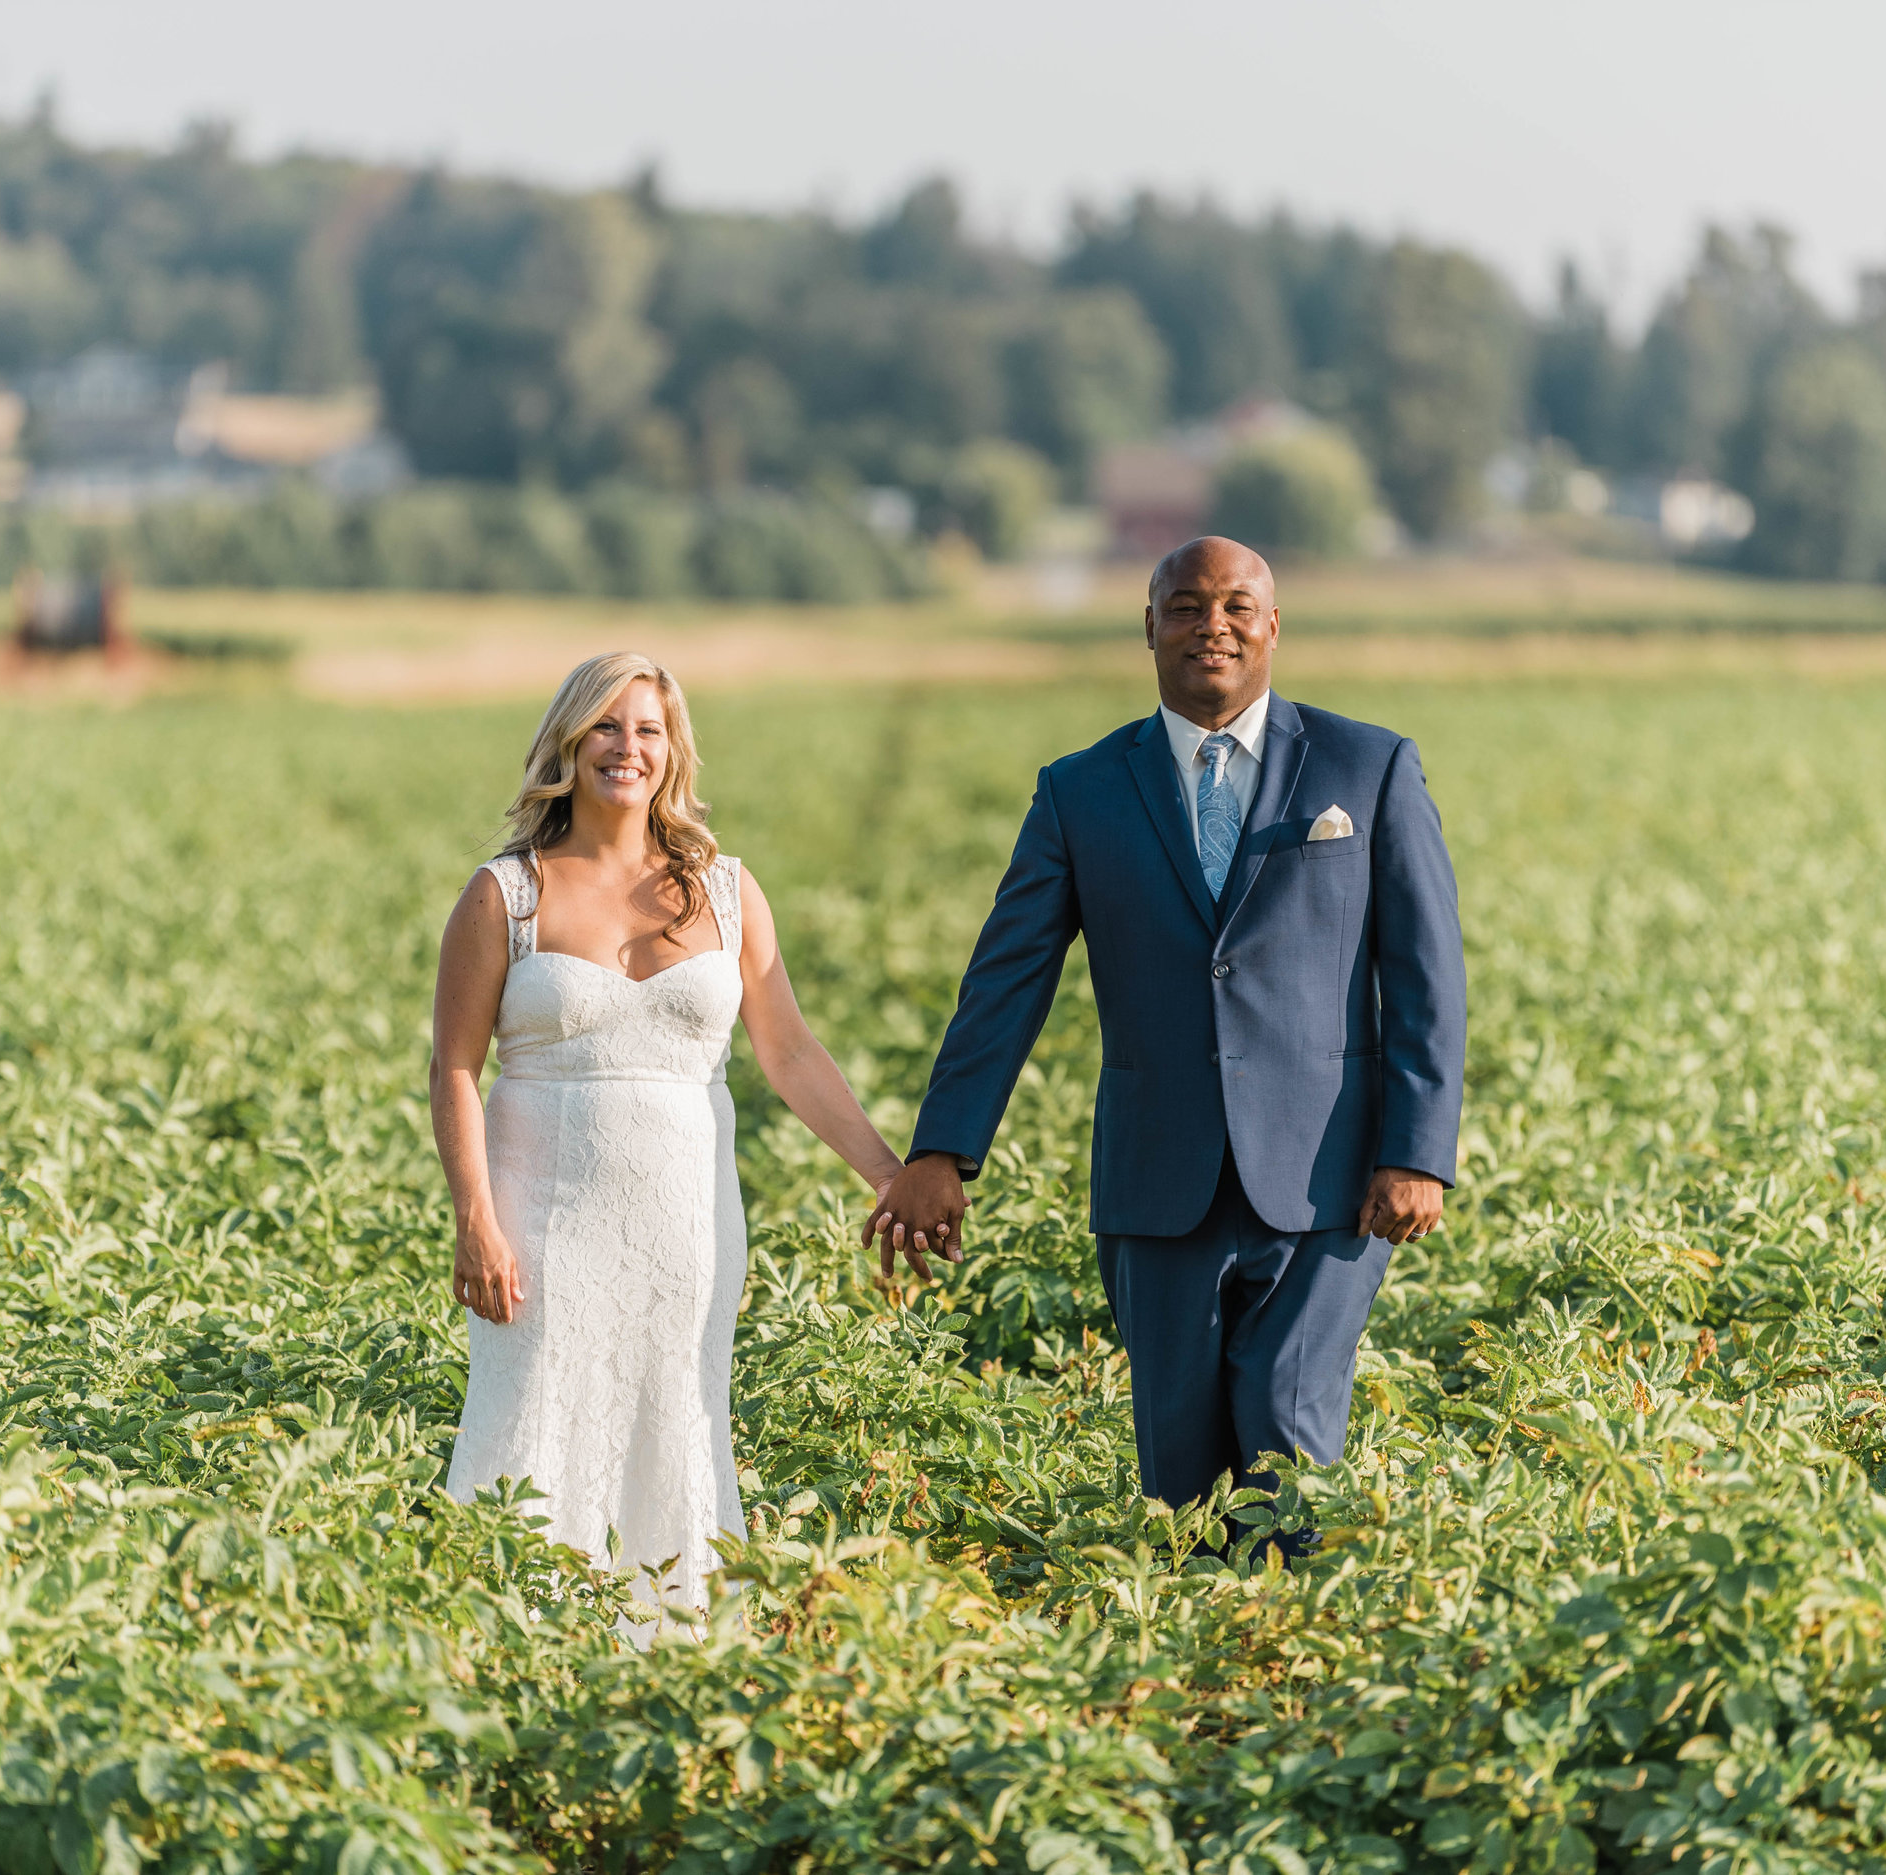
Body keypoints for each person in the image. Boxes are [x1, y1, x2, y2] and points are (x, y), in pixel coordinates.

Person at [870, 537, 1466, 1541]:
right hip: (1156, 1184)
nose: (1213, 627)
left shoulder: (1368, 768)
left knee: (1284, 1429)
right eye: (1185, 607)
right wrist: (940, 1152)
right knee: (1178, 1471)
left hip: (1327, 1184)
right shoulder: (1082, 789)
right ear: (1148, 628)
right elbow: (1007, 980)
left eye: (1237, 606)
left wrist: (1416, 1152)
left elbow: (1425, 976)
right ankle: (1202, 1672)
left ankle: (1289, 1655)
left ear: (1273, 626)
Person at [431, 652, 903, 1621]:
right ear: (568, 741)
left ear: (671, 750)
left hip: (686, 1227)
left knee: (676, 1420)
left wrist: (888, 1175)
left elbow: (792, 1055)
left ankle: (673, 1646)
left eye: (646, 729)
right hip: (544, 1225)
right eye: (605, 726)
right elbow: (453, 1070)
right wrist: (475, 1220)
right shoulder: (505, 893)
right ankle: (511, 1642)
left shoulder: (727, 892)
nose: (626, 748)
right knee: (534, 1421)